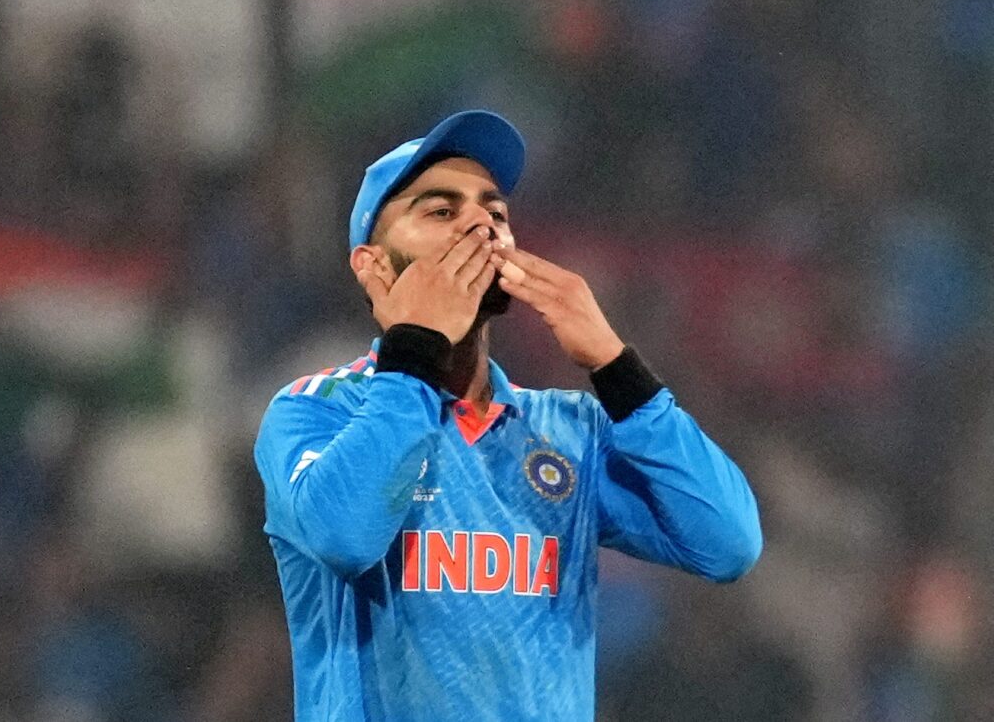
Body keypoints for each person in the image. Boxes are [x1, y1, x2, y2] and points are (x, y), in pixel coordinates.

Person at [253, 110, 762, 721]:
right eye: (441, 212)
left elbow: (728, 543)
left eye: (495, 212)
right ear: (374, 265)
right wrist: (413, 353)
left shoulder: (570, 429)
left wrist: (617, 367)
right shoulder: (313, 411)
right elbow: (346, 536)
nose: (480, 224)